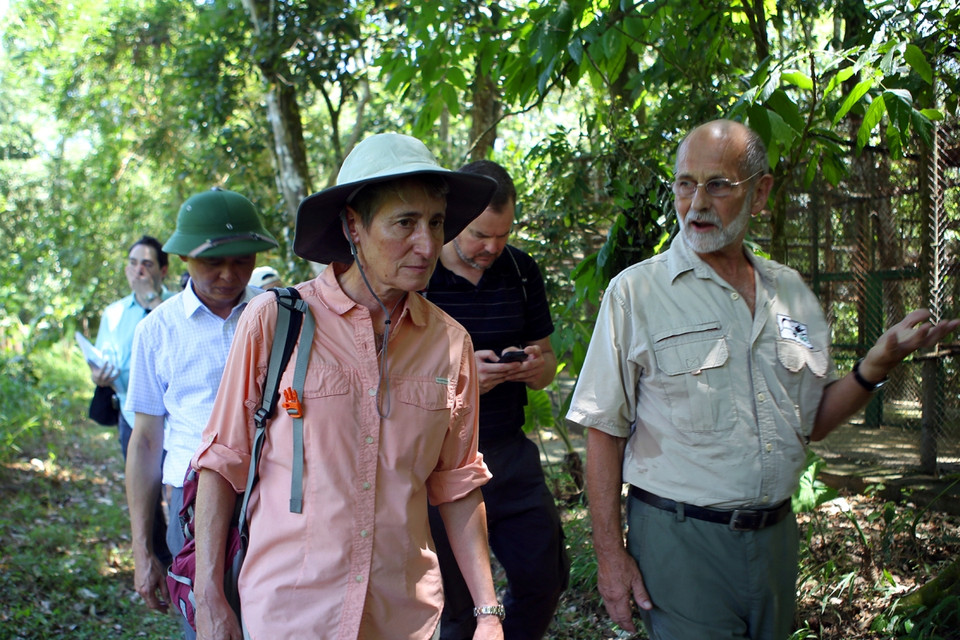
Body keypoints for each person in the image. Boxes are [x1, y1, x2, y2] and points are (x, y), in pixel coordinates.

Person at [565, 119, 960, 640]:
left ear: (761, 192)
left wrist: (877, 363)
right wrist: (610, 556)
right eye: (685, 184)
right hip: (680, 543)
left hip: (775, 540)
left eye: (718, 185)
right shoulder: (635, 293)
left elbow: (813, 421)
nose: (696, 203)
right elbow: (603, 430)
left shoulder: (790, 291)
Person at [190, 133, 506, 640]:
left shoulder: (450, 344)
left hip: (402, 617)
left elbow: (458, 483)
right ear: (353, 225)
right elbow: (222, 461)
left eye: (436, 223)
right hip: (291, 615)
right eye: (405, 223)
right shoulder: (276, 321)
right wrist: (208, 595)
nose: (427, 245)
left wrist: (488, 612)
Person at [124, 188, 278, 639]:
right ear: (184, 258)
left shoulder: (281, 317)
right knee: (210, 623)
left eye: (242, 260)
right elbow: (146, 441)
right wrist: (142, 549)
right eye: (213, 262)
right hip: (191, 508)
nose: (229, 274)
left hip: (273, 496)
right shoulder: (157, 331)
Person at [425, 160, 569, 639]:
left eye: (503, 235)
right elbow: (386, 380)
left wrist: (533, 367)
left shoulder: (521, 270)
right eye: (479, 235)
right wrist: (462, 378)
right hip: (438, 460)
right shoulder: (419, 276)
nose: (492, 247)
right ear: (452, 220)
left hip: (508, 451)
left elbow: (547, 367)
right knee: (456, 605)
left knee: (544, 578)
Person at [89, 235, 173, 566]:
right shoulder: (113, 314)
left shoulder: (176, 306)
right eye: (133, 263)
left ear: (163, 270)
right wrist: (99, 376)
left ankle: (188, 558)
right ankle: (157, 560)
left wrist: (152, 300)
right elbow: (102, 359)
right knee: (145, 495)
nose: (138, 271)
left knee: (177, 491)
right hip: (130, 415)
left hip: (174, 419)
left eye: (147, 264)